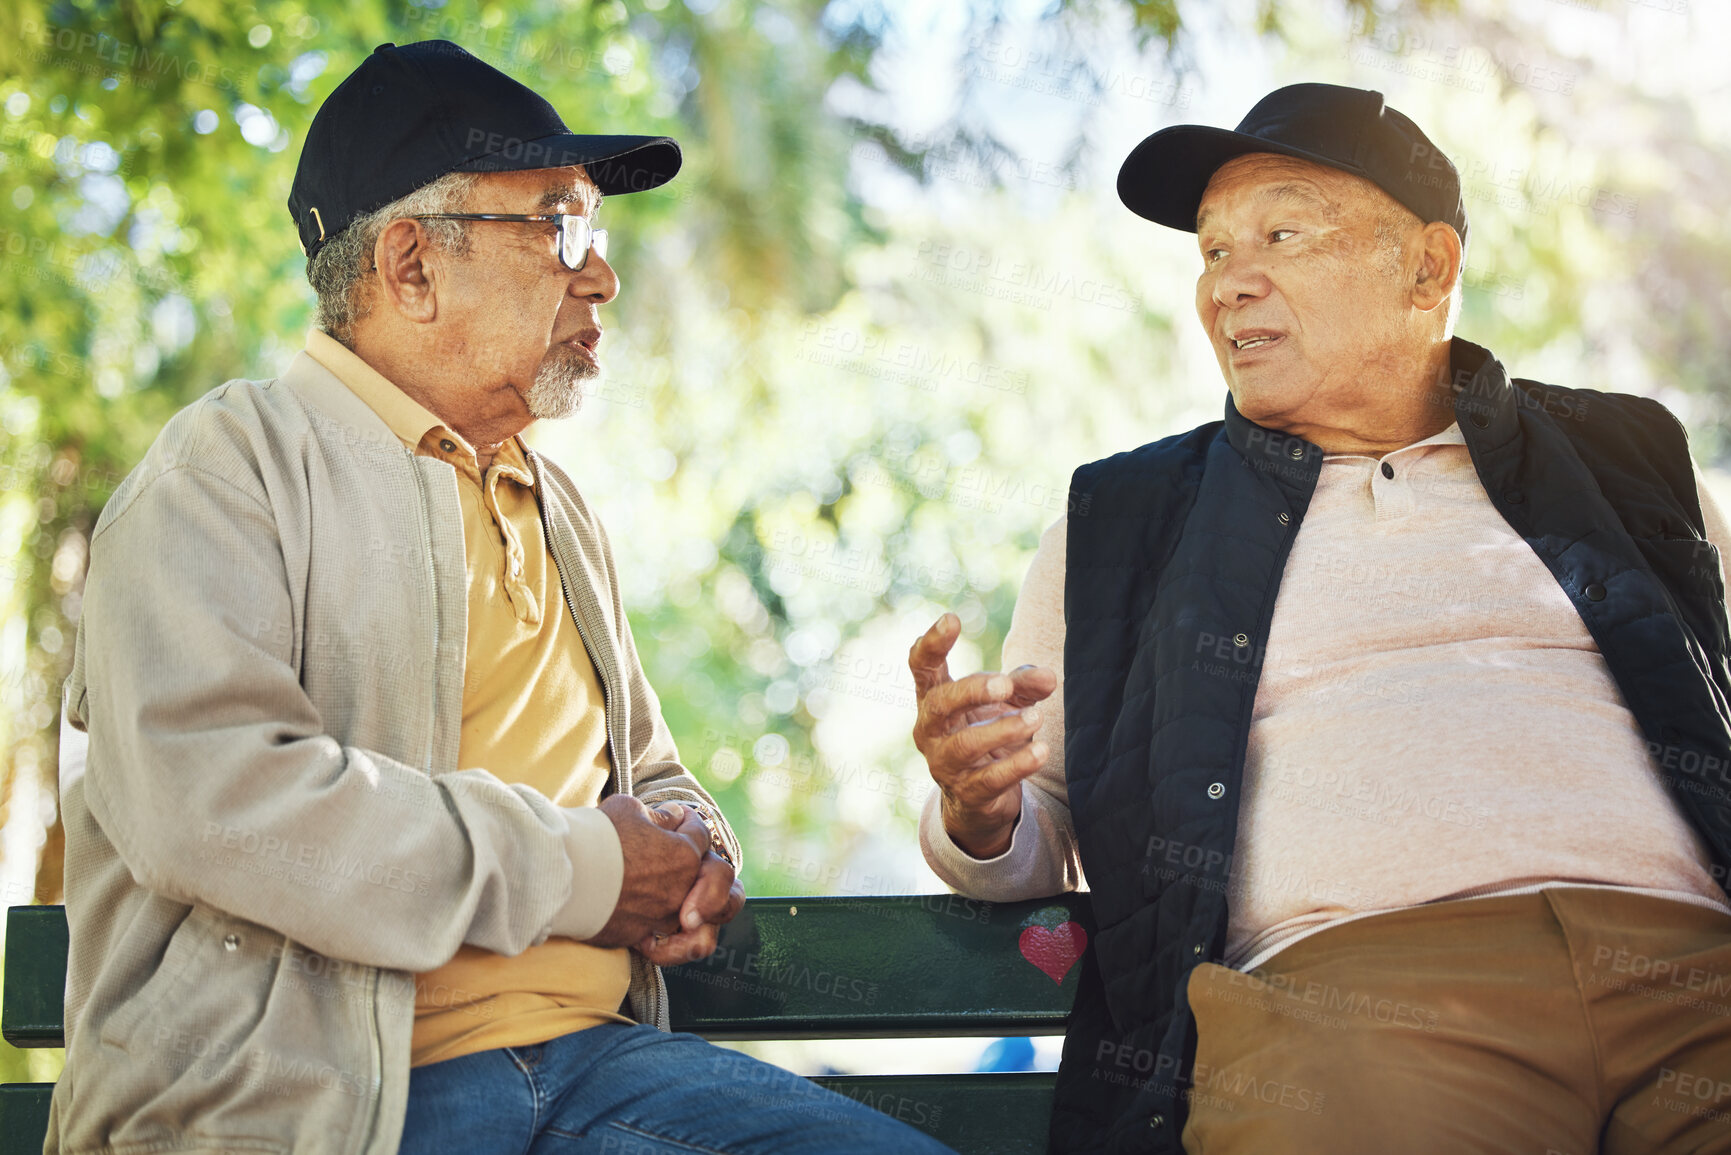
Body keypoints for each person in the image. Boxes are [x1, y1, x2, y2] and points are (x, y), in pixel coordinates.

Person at [51, 40, 954, 1155]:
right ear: (412, 267)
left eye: (596, 233)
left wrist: (688, 856)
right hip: (326, 1108)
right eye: (559, 226)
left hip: (602, 1069)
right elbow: (219, 800)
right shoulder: (225, 473)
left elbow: (647, 774)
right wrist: (584, 869)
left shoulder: (552, 500)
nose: (601, 276)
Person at [910, 82, 1731, 1154]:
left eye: (1282, 233)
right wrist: (981, 810)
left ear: (1427, 267)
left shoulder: (1629, 464)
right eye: (1210, 252)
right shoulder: (1127, 521)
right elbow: (1044, 833)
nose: (1228, 284)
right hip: (1356, 1005)